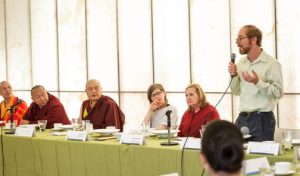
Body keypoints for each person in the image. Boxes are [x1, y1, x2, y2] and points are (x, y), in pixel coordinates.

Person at [228, 25, 284, 141]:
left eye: (241, 38)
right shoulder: (241, 63)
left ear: (253, 40)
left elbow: (278, 92)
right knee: (237, 157)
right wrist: (233, 76)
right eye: (237, 39)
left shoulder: (272, 63)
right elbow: (236, 91)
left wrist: (258, 82)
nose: (237, 43)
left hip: (262, 120)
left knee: (259, 157)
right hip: (242, 119)